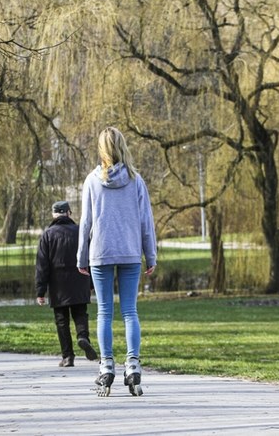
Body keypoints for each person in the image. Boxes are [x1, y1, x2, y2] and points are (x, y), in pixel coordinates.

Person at [77, 126, 157, 397]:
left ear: (101, 149)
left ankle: (107, 366)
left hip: (100, 251)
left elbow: (86, 222)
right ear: (123, 146)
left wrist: (81, 256)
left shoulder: (91, 181)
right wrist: (151, 254)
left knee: (104, 312)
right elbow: (146, 221)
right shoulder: (136, 180)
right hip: (130, 252)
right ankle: (132, 365)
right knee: (130, 312)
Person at [36, 200, 98, 367]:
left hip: (58, 285)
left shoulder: (47, 235)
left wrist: (40, 291)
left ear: (54, 214)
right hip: (80, 279)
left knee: (61, 319)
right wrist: (92, 282)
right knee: (80, 313)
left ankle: (67, 356)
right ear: (69, 213)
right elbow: (91, 258)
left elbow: (43, 265)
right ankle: (83, 337)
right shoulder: (81, 232)